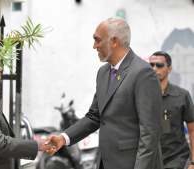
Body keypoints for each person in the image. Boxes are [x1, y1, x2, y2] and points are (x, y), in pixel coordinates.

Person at [45, 17, 163, 169]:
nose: (94, 46)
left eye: (97, 40)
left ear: (114, 41)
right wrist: (63, 138)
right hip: (106, 162)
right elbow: (94, 116)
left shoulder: (143, 73)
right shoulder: (103, 73)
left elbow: (150, 132)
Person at [149, 51, 194, 169]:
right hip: (150, 160)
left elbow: (192, 130)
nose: (154, 68)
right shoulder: (142, 96)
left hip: (176, 159)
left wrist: (193, 162)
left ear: (169, 70)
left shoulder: (182, 95)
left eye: (159, 65)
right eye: (151, 65)